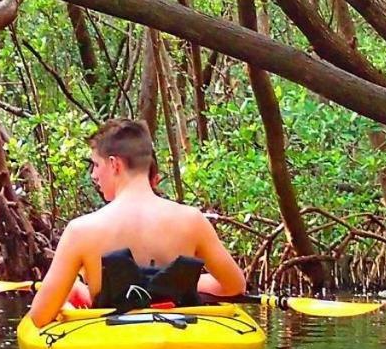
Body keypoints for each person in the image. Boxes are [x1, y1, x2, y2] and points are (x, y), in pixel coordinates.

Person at [30, 119, 246, 328]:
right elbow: (235, 285)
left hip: (113, 348)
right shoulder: (192, 220)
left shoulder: (81, 230)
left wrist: (75, 294)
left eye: (96, 165)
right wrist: (173, 284)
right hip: (179, 339)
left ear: (114, 164)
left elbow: (39, 317)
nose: (94, 175)